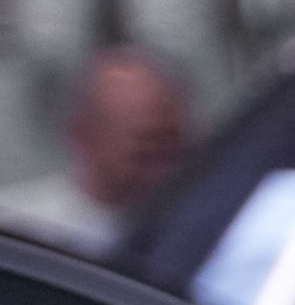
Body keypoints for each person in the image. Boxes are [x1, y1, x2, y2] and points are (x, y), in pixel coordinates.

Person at [0, 44, 191, 253]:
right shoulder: (21, 232)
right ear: (82, 134)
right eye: (144, 140)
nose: (161, 158)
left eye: (170, 140)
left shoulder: (200, 225)